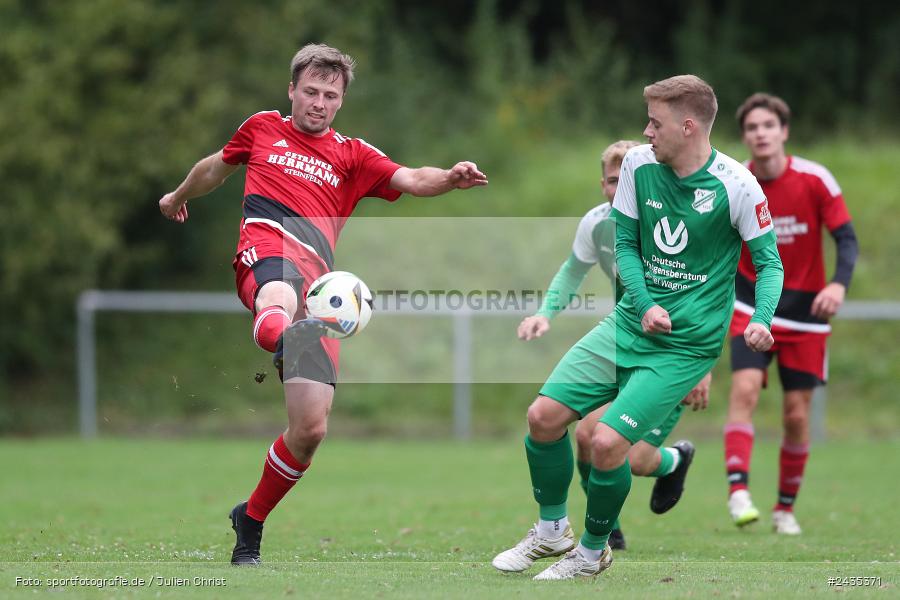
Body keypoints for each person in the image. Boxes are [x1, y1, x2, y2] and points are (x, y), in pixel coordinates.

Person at [159, 44, 487, 566]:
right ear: (291, 90)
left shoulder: (354, 155)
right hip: (265, 251)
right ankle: (284, 335)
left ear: (341, 101)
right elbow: (215, 168)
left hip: (319, 292)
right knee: (278, 297)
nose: (318, 102)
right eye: (310, 91)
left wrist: (449, 177)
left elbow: (410, 177)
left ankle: (251, 519)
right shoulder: (262, 127)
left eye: (329, 95)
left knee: (310, 430)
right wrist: (177, 197)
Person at [492, 75, 783, 580]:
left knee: (606, 445)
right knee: (542, 417)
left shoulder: (738, 186)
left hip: (684, 348)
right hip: (628, 324)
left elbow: (770, 264)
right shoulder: (637, 166)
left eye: (656, 122)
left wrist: (759, 320)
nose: (646, 131)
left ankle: (590, 553)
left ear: (688, 126)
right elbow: (624, 244)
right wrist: (645, 304)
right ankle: (551, 530)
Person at [516, 139, 711, 552]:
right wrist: (544, 313)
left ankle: (676, 460)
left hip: (674, 352)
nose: (617, 186)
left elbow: (708, 290)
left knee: (634, 457)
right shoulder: (597, 222)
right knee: (588, 437)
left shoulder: (674, 220)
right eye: (610, 180)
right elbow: (572, 271)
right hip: (626, 342)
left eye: (626, 178)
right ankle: (606, 530)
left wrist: (702, 367)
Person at [723, 93, 858, 535]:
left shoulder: (815, 179)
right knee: (744, 390)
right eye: (752, 128)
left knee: (796, 415)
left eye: (768, 125)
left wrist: (838, 283)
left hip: (804, 311)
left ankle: (784, 509)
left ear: (784, 132)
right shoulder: (736, 180)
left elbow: (846, 238)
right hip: (749, 302)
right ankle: (738, 491)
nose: (760, 133)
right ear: (744, 136)